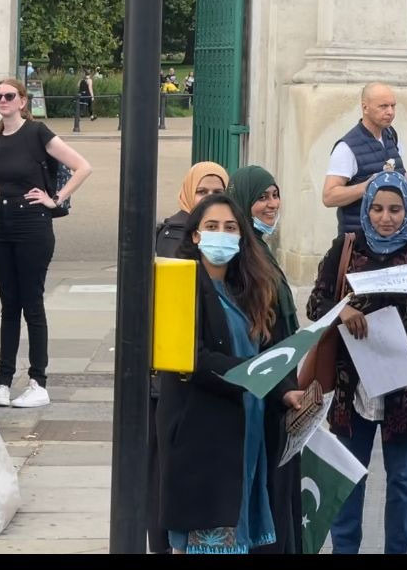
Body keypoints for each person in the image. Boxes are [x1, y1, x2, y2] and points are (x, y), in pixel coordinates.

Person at [158, 195, 305, 554]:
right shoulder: (180, 283)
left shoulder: (249, 288)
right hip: (205, 436)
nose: (220, 235)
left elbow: (267, 353)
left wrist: (284, 391)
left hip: (249, 432)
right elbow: (191, 357)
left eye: (230, 227)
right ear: (195, 235)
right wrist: (248, 374)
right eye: (211, 227)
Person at [305, 171, 407, 554]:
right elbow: (316, 303)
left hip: (406, 383)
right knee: (349, 474)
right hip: (353, 381)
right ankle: (345, 549)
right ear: (366, 209)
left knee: (403, 479)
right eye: (378, 208)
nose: (386, 217)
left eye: (395, 209)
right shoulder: (348, 245)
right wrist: (342, 311)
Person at [0, 78, 91, 408]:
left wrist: (55, 199)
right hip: (1, 223)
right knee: (8, 303)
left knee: (31, 301)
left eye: (9, 96)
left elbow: (82, 166)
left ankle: (38, 380)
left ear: (22, 101)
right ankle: (3, 381)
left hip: (32, 224)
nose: (3, 100)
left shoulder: (37, 132)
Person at [147, 160, 229, 553]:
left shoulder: (238, 256)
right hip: (174, 390)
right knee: (167, 486)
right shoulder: (173, 241)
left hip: (218, 401)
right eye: (202, 192)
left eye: (218, 192)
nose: (210, 201)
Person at [227, 165, 300, 553]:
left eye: (274, 195)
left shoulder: (260, 250)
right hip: (268, 391)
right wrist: (283, 387)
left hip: (282, 384)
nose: (271, 204)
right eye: (261, 197)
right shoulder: (245, 258)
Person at [323, 82, 407, 235]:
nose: (390, 112)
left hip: (394, 237)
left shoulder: (390, 134)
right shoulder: (346, 147)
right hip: (360, 240)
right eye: (383, 106)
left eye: (393, 106)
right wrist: (368, 186)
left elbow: (398, 177)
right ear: (365, 107)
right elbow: (329, 197)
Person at [156, 162, 231, 259]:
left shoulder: (225, 229)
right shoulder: (175, 234)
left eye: (217, 192)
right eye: (202, 192)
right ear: (189, 193)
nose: (210, 198)